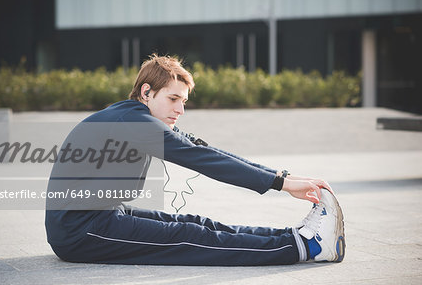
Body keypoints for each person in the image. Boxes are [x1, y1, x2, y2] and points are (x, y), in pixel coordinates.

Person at [45, 54, 345, 265]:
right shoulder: (134, 123)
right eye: (173, 99)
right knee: (190, 237)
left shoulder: (131, 116)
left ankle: (295, 236)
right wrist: (279, 184)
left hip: (100, 216)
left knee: (195, 223)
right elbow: (202, 159)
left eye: (184, 102)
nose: (180, 110)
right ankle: (307, 247)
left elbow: (201, 147)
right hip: (81, 231)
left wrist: (282, 176)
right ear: (147, 92)